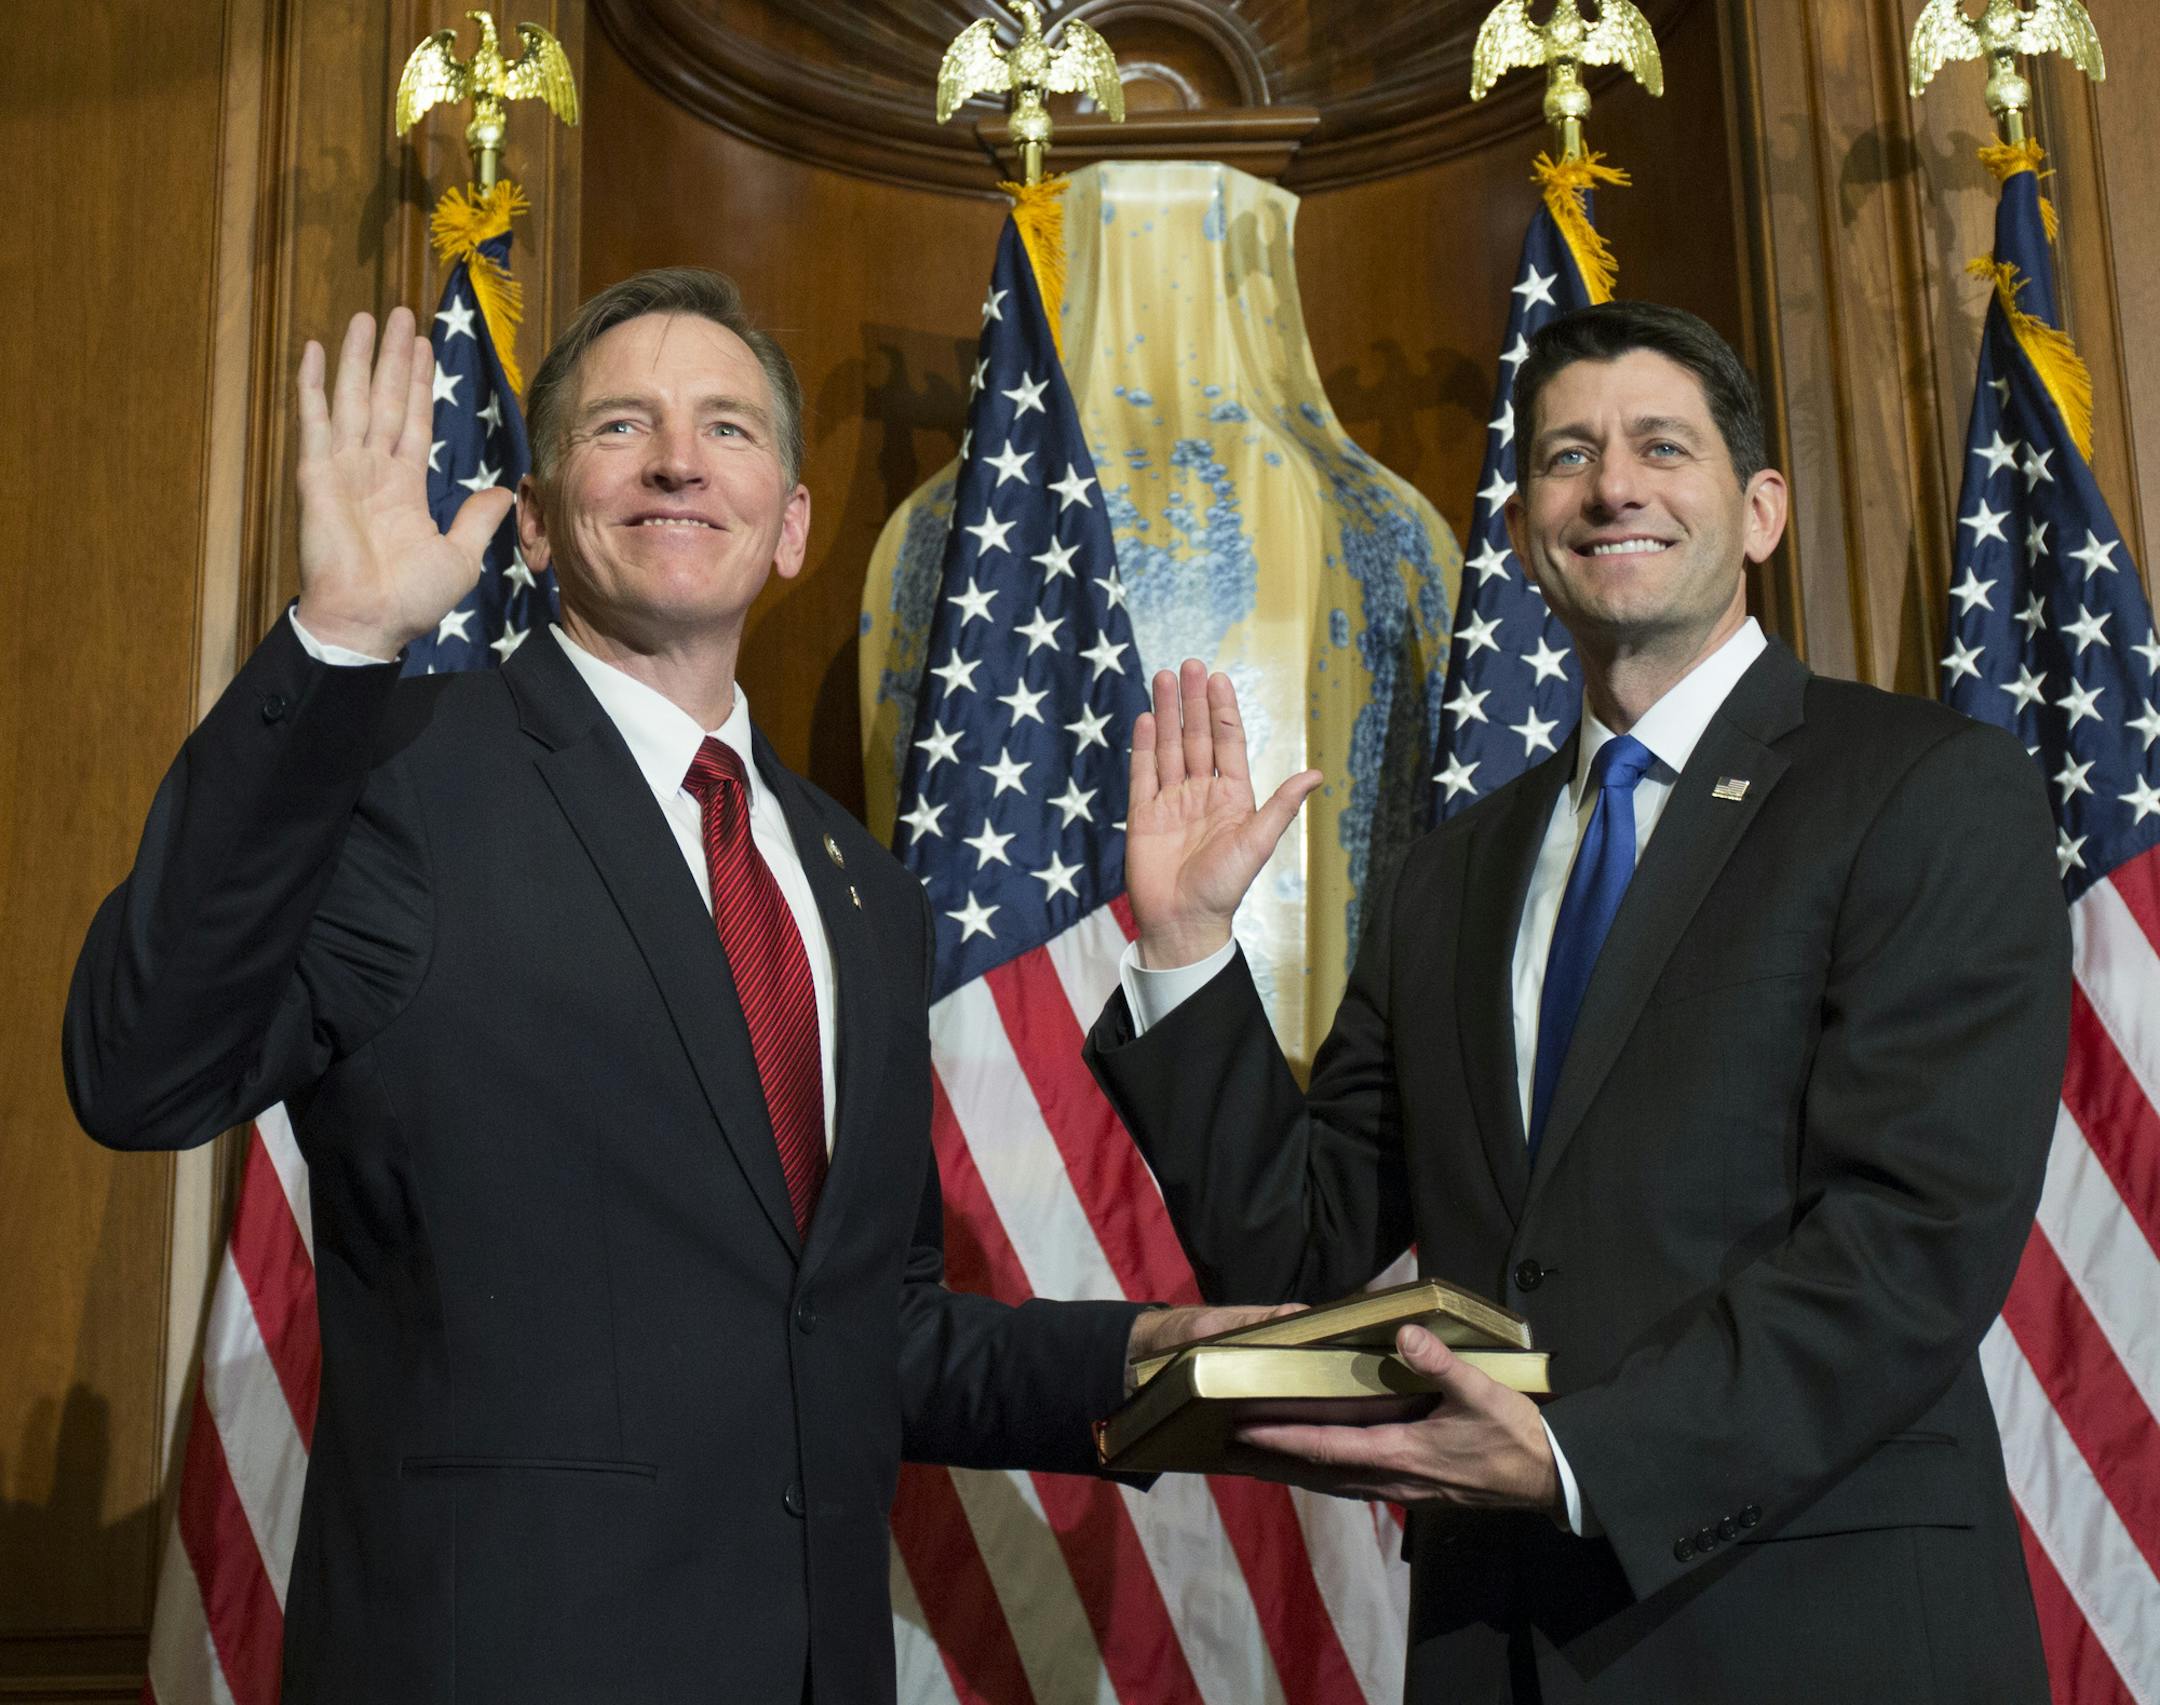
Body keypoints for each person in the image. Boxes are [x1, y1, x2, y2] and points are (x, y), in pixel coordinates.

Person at [65, 268, 1235, 1704]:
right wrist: (337, 645)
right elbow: (139, 1066)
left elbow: (868, 1328)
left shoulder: (863, 891)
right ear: (540, 520)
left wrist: (1151, 1352)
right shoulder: (399, 777)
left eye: (730, 428)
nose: (682, 457)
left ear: (792, 523)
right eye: (624, 425)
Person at [1085, 300, 2071, 1702]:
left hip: (1816, 1628)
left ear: (1762, 511)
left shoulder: (1921, 791)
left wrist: (1577, 1457)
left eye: (1661, 446)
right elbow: (1289, 1254)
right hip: (1502, 1645)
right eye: (1568, 455)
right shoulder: (1452, 870)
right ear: (1527, 527)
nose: (1613, 484)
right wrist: (1185, 945)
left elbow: (1913, 1242)